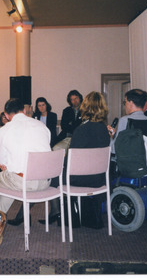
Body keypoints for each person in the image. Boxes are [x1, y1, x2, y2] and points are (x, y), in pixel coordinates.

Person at [36, 91, 111, 225]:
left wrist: (58, 164)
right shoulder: (105, 129)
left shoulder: (81, 130)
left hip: (81, 178)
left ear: (85, 107)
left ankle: (56, 212)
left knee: (52, 176)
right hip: (99, 178)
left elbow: (72, 159)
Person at [0, 98, 51, 213]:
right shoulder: (42, 126)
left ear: (6, 115)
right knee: (11, 177)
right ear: (24, 110)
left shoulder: (4, 130)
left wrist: (7, 165)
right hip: (46, 181)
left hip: (24, 182)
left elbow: (1, 161)